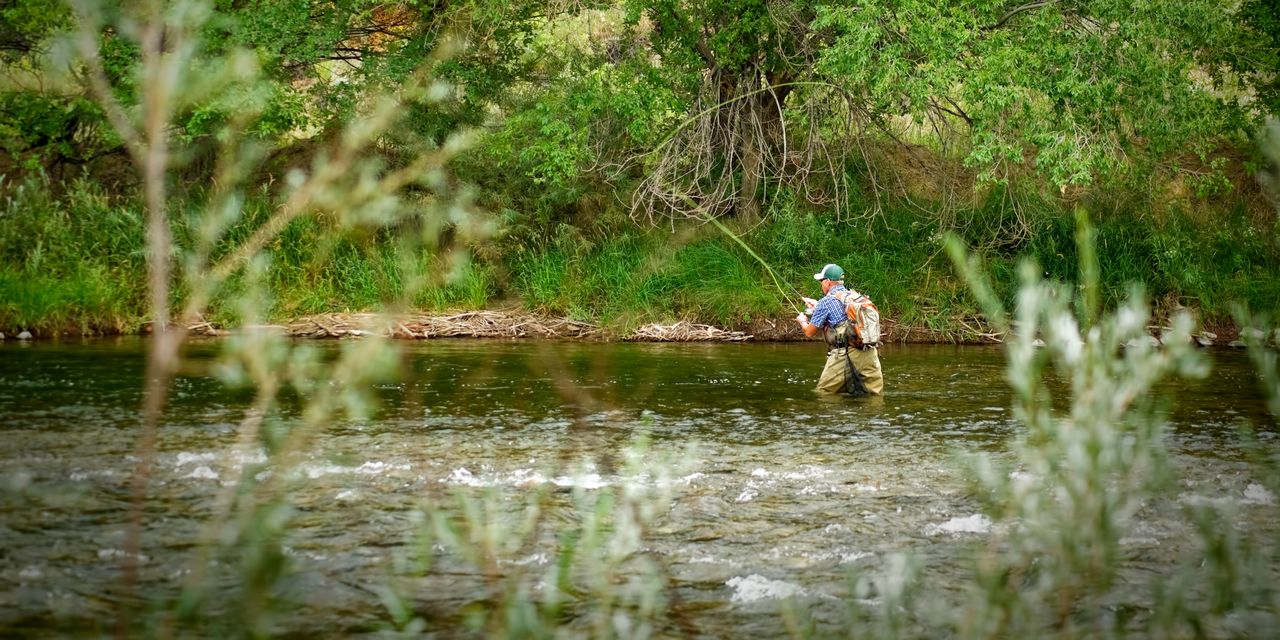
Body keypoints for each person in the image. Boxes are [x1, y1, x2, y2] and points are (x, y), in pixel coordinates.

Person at [794, 263, 884, 395]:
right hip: (869, 351)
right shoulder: (853, 296)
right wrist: (817, 305)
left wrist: (802, 321)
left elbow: (809, 332)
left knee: (824, 394)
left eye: (821, 281)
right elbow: (843, 316)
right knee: (873, 394)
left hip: (845, 353)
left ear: (828, 282)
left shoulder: (826, 302)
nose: (821, 284)